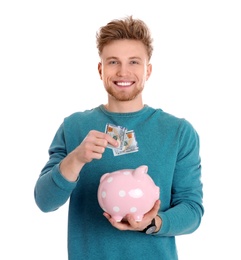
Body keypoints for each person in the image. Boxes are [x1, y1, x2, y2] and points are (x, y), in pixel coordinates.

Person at [34, 15, 204, 260]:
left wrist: (152, 222)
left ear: (148, 70)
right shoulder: (74, 127)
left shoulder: (178, 132)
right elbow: (44, 201)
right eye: (113, 62)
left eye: (134, 62)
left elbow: (192, 210)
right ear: (101, 69)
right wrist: (76, 159)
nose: (123, 71)